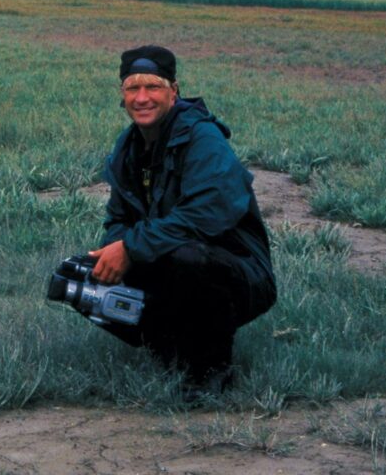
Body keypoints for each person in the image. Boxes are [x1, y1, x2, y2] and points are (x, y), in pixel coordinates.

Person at [88, 45, 276, 393]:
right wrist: (114, 250)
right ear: (122, 94)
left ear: (174, 91)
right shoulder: (128, 146)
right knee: (77, 279)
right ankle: (170, 348)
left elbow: (205, 216)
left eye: (153, 87)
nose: (142, 98)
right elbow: (117, 217)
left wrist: (130, 248)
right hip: (168, 261)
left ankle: (211, 372)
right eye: (133, 88)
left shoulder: (203, 138)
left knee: (186, 258)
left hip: (236, 271)